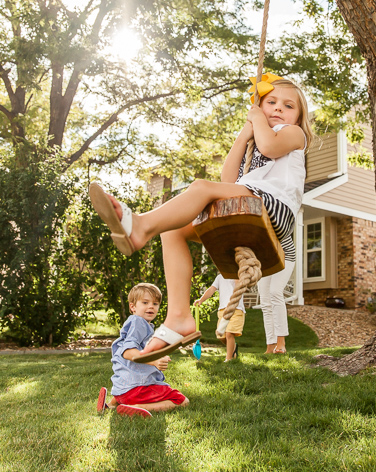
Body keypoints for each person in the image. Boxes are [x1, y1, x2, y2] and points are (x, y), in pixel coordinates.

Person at [90, 75, 313, 362]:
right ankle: (179, 317)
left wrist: (258, 119)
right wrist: (244, 136)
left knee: (199, 187)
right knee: (173, 230)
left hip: (273, 208)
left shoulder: (293, 134)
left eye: (288, 105)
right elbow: (228, 178)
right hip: (247, 203)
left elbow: (269, 147)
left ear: (298, 116)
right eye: (270, 102)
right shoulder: (255, 141)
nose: (278, 109)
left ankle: (141, 226)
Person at [96, 282, 189, 418]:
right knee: (182, 401)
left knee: (131, 375)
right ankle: (136, 407)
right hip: (137, 391)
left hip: (122, 390)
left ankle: (111, 404)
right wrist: (154, 361)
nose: (151, 306)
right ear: (133, 307)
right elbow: (127, 352)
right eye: (145, 302)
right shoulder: (138, 322)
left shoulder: (138, 324)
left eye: (155, 304)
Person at [194, 274, 245, 361]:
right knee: (221, 336)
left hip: (236, 308)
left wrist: (236, 277)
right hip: (222, 310)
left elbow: (240, 287)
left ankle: (229, 359)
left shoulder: (238, 275)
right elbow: (211, 289)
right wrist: (201, 300)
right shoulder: (220, 277)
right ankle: (234, 347)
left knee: (229, 333)